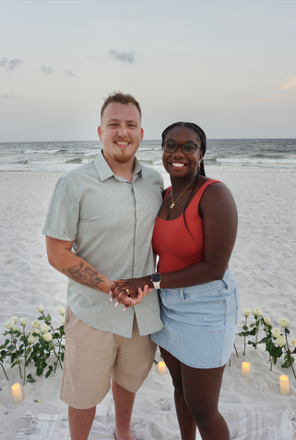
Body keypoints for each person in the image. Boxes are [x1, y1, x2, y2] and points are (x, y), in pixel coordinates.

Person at [42, 92, 164, 440]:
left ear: (142, 133)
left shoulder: (156, 181)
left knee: (128, 381)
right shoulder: (73, 184)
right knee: (83, 394)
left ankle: (122, 432)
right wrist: (110, 287)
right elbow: (57, 253)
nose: (122, 132)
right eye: (114, 124)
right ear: (100, 131)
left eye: (130, 125)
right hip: (92, 312)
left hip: (143, 313)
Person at [110, 121, 239, 440]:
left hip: (207, 307)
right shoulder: (165, 194)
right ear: (162, 150)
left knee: (204, 409)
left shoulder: (215, 194)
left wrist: (148, 280)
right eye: (170, 145)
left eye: (188, 147)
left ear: (201, 153)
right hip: (168, 302)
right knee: (180, 387)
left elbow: (214, 268)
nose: (178, 153)